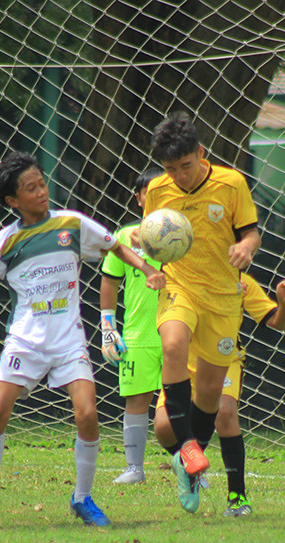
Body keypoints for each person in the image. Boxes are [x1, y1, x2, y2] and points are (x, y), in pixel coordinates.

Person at [0, 152, 165, 528]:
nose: (41, 192)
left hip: (68, 340)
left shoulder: (71, 224)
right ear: (12, 201)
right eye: (30, 189)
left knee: (88, 414)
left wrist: (146, 267)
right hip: (24, 341)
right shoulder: (6, 240)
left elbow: (114, 246)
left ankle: (82, 497)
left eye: (42, 183)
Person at [146, 111, 261, 512]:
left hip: (224, 299)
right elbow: (152, 241)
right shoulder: (158, 191)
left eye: (186, 166)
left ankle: (187, 462)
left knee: (212, 393)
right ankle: (189, 448)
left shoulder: (232, 183)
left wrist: (246, 247)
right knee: (173, 343)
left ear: (202, 152)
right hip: (181, 287)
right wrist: (152, 268)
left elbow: (250, 232)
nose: (179, 176)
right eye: (170, 169)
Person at [154, 272, 285, 515]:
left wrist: (284, 303)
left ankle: (237, 497)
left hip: (224, 358)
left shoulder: (241, 282)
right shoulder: (180, 274)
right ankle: (187, 464)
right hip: (184, 363)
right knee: (162, 428)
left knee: (225, 412)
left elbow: (278, 322)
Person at [99, 167, 165, 484]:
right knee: (136, 401)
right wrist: (108, 329)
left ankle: (190, 468)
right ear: (138, 198)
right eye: (149, 193)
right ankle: (134, 468)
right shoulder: (124, 238)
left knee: (182, 404)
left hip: (180, 333)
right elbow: (109, 283)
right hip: (138, 337)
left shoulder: (186, 234)